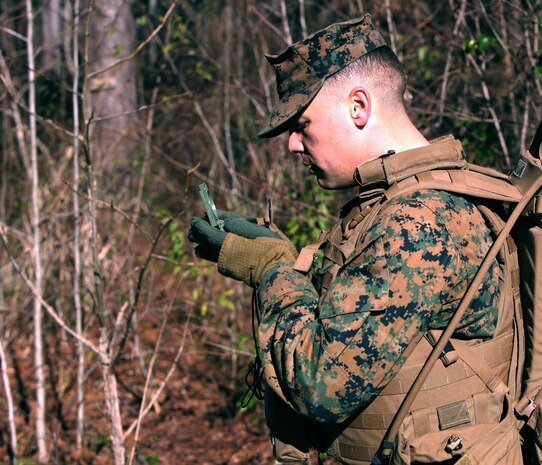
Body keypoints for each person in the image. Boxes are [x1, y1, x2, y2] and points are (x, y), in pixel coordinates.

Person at [188, 14, 522, 465]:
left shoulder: (418, 223)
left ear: (358, 107)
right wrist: (286, 256)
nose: (292, 145)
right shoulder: (408, 200)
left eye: (301, 123)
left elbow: (320, 385)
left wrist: (273, 270)